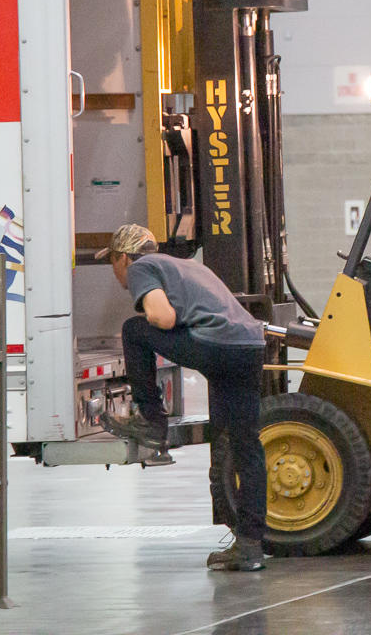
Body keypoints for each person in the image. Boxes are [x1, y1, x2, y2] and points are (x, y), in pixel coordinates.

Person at [95, 224, 268, 571]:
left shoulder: (143, 267)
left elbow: (162, 316)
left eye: (112, 261)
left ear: (124, 258)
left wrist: (163, 330)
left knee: (135, 329)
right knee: (245, 446)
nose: (115, 271)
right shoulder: (188, 265)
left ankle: (152, 422)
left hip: (219, 347)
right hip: (249, 347)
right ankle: (249, 545)